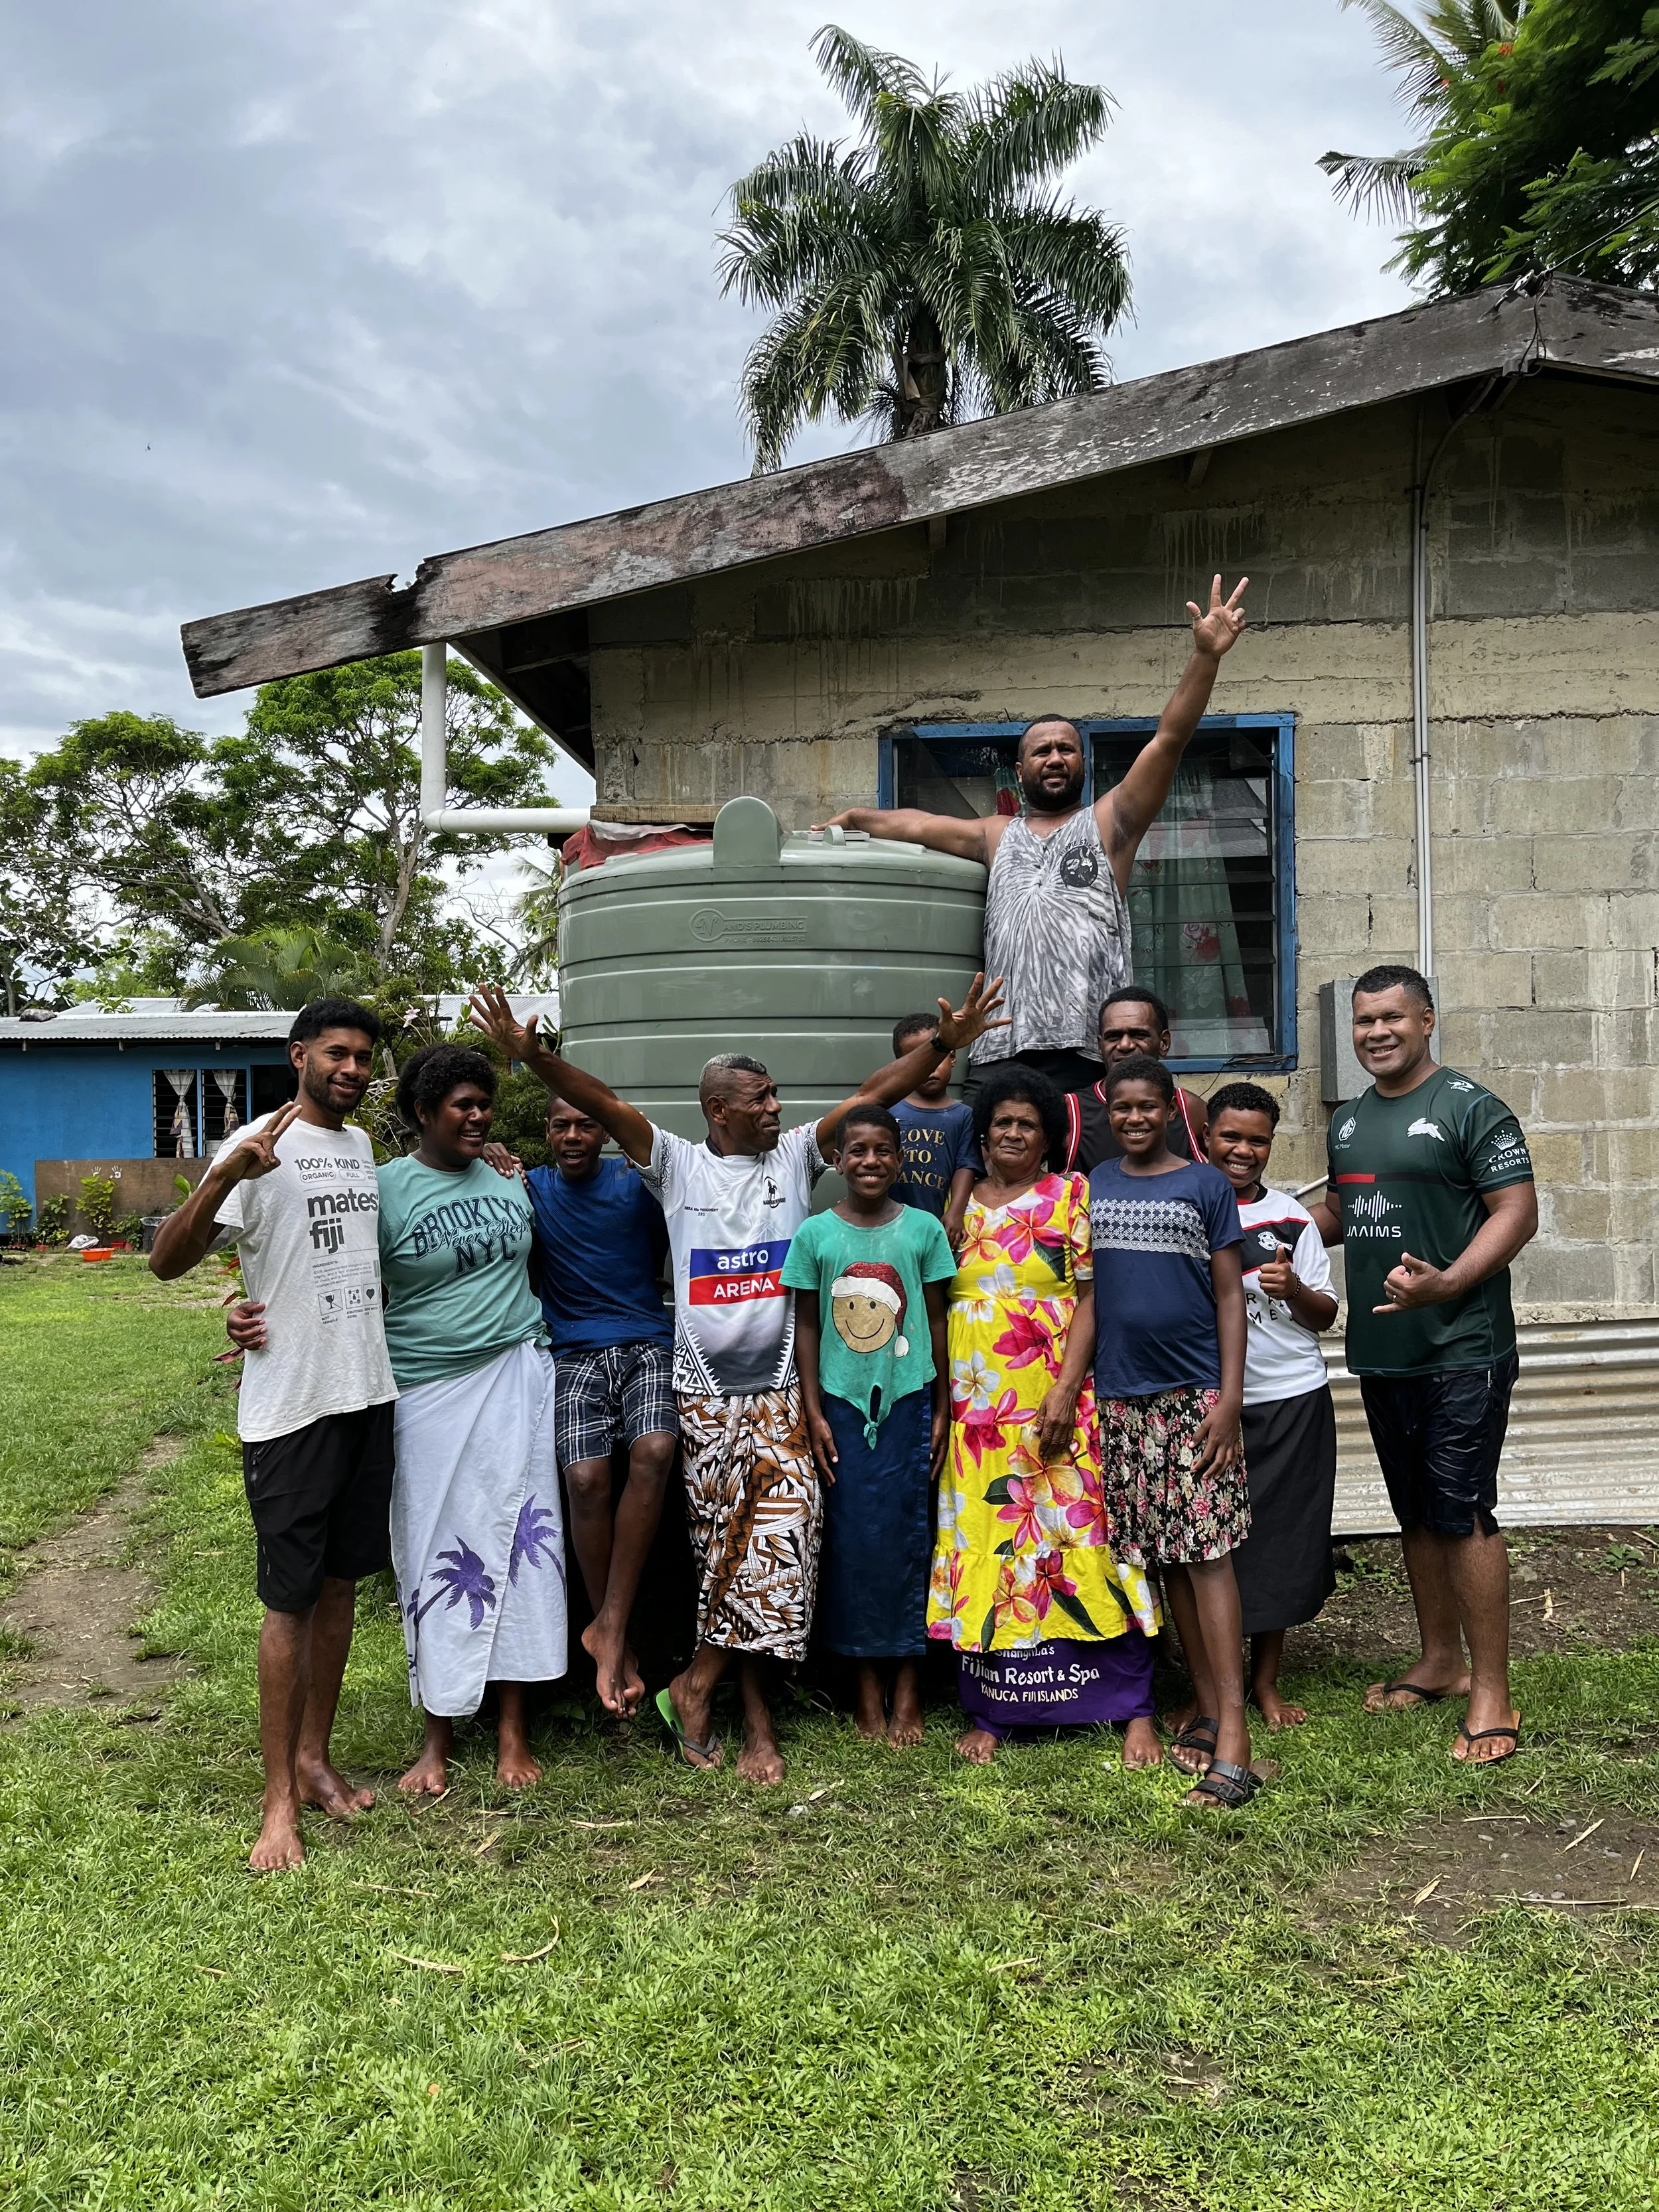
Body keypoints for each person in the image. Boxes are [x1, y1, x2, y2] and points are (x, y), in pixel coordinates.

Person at [467, 974, 1007, 1786]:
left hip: (787, 1395)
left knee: (783, 1551)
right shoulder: (678, 1167)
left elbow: (872, 1094)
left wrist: (945, 1046)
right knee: (726, 1556)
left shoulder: (794, 1159)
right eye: (759, 1097)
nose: (774, 1107)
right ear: (718, 1108)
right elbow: (604, 1102)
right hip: (706, 1397)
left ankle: (697, 1684)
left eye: (775, 1094)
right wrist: (534, 1056)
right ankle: (748, 1723)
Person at [816, 576, 1249, 1095]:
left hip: (1087, 1049)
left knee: (1076, 1178)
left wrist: (1206, 657)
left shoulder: (1113, 823)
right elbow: (920, 824)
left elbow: (1169, 739)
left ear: (1083, 763)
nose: (1055, 758)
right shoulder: (996, 834)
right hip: (1000, 1047)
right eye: (1041, 751)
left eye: (1066, 748)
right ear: (1019, 771)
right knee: (996, 1176)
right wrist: (858, 817)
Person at [149, 998, 396, 1874]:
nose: (354, 1068)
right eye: (338, 1052)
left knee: (338, 1591)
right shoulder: (256, 1143)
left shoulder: (364, 1147)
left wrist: (245, 1301)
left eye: (365, 1056)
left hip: (366, 1394)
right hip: (290, 1408)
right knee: (288, 1602)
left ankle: (314, 1759)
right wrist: (222, 1179)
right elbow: (165, 1260)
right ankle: (277, 1807)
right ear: (299, 1055)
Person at [1309, 965, 1538, 1765]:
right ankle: (1440, 1661)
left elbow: (1517, 1210)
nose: (1375, 1033)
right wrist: (1258, 1228)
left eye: (1391, 1019)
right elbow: (1338, 1211)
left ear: (1426, 1020)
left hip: (1461, 1350)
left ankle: (1492, 1691)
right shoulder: (1348, 1124)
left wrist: (1448, 1283)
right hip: (1384, 1352)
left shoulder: (1471, 1108)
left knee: (1463, 1513)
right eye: (1364, 1021)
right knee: (1415, 1512)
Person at [926, 1067, 1163, 1767]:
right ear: (983, 1132)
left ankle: (1133, 1708)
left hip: (1055, 1404)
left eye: (1026, 1123)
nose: (1011, 1133)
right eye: (1000, 1121)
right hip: (978, 1417)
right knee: (989, 1547)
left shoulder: (1070, 1196)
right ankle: (993, 1711)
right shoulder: (957, 1207)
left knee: (1081, 1541)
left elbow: (1091, 1299)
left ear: (1048, 1137)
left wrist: (1064, 1391)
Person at [372, 1044, 565, 1794]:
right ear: (423, 1113)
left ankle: (514, 1728)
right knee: (434, 1551)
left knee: (523, 1542)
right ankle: (438, 1733)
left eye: (484, 1103)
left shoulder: (510, 1179)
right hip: (427, 1392)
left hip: (517, 1376)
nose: (479, 1116)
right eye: (462, 1105)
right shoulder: (385, 1189)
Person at [1088, 1054, 1261, 1808]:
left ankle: (1235, 1740)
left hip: (1194, 1398)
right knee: (1166, 1557)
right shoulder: (1094, 1185)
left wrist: (1228, 1398)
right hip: (1123, 1401)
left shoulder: (1204, 1185)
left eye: (1146, 1108)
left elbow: (1230, 1293)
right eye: (1120, 1108)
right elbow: (1090, 1295)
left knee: (1210, 1558)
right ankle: (1208, 1706)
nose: (1132, 1119)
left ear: (1172, 1112)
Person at [784, 1104, 956, 1747]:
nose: (870, 1161)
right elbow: (804, 1326)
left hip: (910, 1405)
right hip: (841, 1411)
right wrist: (811, 1406)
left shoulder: (923, 1230)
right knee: (853, 1547)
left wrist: (941, 1405)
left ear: (900, 1157)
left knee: (913, 1542)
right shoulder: (815, 1236)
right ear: (836, 1159)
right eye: (857, 1150)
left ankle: (909, 1688)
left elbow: (937, 1321)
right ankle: (864, 1690)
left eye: (883, 1150)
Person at [524, 1094, 676, 1721]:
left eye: (587, 1123)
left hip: (647, 1340)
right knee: (585, 1478)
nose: (574, 1135)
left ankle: (608, 1627)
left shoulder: (638, 1184)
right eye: (561, 1125)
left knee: (657, 1449)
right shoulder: (529, 1187)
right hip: (574, 1351)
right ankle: (608, 1630)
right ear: (548, 1133)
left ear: (607, 1131)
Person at [1202, 1080, 1339, 1728]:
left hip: (1290, 1399)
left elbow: (1324, 1316)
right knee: (1209, 1547)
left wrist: (1293, 1291)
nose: (1242, 1150)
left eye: (1257, 1140)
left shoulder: (1291, 1218)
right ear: (1206, 1136)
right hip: (1206, 1407)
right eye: (1230, 1135)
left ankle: (1265, 1684)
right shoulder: (1187, 1209)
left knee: (1280, 1540)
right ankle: (1207, 1690)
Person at [1064, 986, 1210, 1174]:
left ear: (1164, 1043)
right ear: (1101, 1046)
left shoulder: (1189, 1108)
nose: (1125, 1045)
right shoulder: (1070, 1113)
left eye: (1139, 1035)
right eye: (1114, 1037)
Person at [887, 1011, 979, 1238]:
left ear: (953, 1057)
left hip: (937, 1226)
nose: (929, 1068)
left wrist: (956, 1213)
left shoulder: (964, 1116)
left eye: (936, 1059)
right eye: (919, 1060)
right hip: (887, 1225)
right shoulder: (889, 1110)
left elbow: (965, 1167)